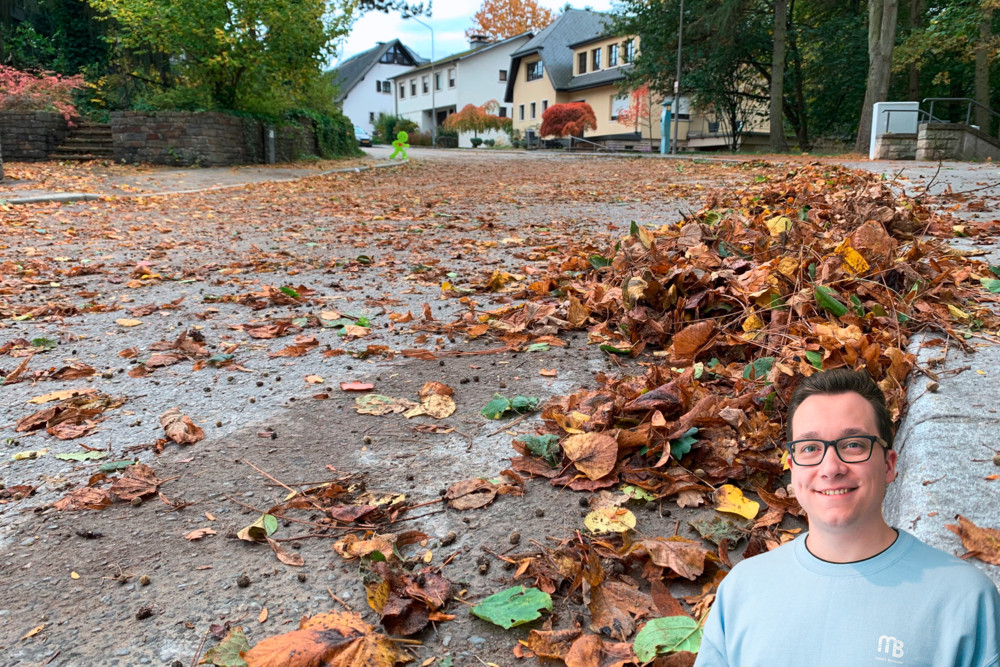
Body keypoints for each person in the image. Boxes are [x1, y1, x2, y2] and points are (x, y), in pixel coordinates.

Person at [695, 368, 1000, 667]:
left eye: (853, 445)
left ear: (889, 465)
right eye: (810, 447)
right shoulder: (742, 590)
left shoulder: (965, 599)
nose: (831, 467)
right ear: (792, 466)